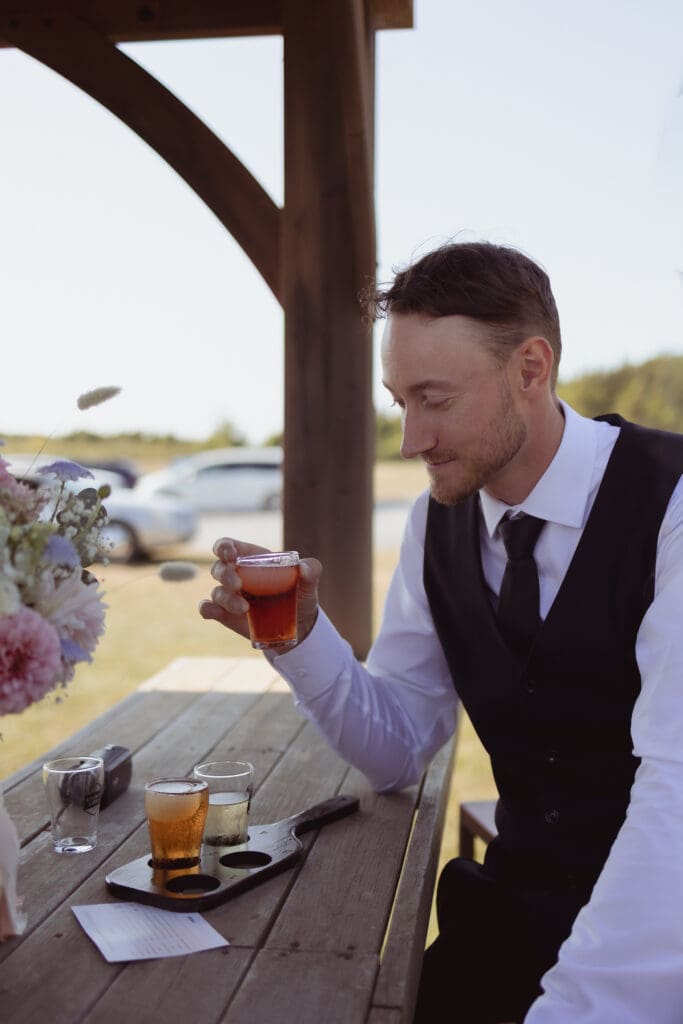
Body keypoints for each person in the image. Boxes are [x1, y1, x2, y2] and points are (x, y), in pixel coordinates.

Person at [199, 240, 683, 1024]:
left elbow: (676, 796)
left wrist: (572, 1008)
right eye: (401, 402)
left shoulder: (673, 502)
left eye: (435, 399)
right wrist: (300, 638)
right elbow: (396, 747)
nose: (410, 440)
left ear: (530, 368)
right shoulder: (437, 522)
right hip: (512, 916)